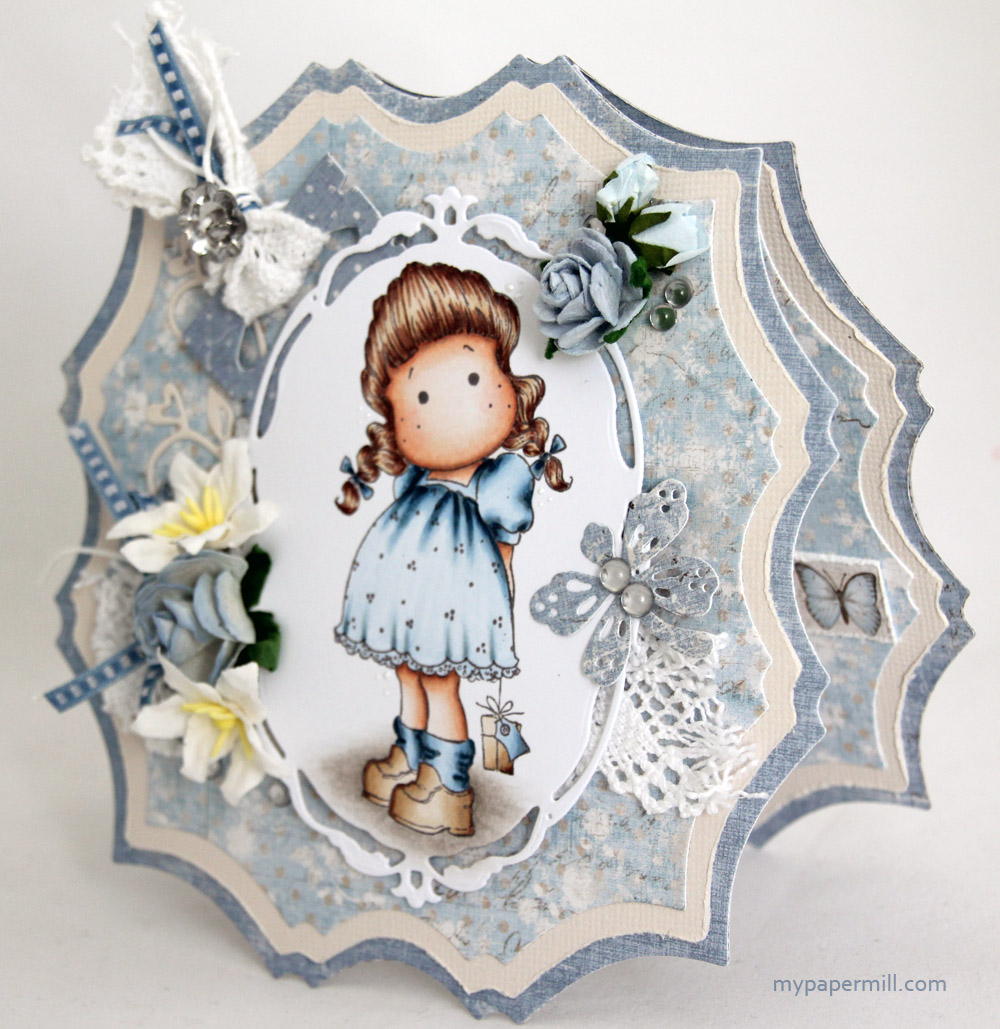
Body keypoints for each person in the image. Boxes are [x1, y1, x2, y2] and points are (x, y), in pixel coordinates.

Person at [335, 262, 570, 836]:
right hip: (408, 598)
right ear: (392, 416)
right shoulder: (416, 480)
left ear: (508, 380)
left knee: (440, 681)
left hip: (456, 602)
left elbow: (504, 545)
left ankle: (449, 785)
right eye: (419, 395)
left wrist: (500, 595)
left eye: (471, 380)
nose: (448, 408)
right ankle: (411, 754)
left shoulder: (497, 480)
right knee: (407, 671)